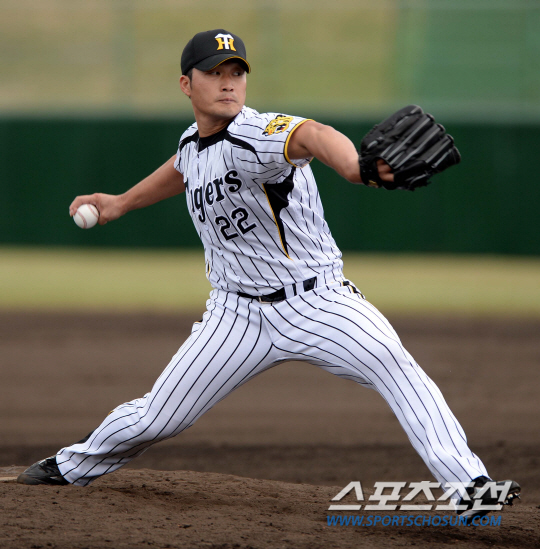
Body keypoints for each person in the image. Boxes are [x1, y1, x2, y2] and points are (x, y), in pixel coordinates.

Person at [18, 29, 519, 523]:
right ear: (186, 84)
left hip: (318, 302)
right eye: (214, 72)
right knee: (158, 417)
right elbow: (185, 166)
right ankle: (71, 466)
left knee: (394, 364)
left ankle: (470, 486)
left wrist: (354, 167)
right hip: (234, 315)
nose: (228, 82)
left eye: (236, 72)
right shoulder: (193, 143)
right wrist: (121, 202)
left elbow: (313, 135)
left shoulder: (259, 132)